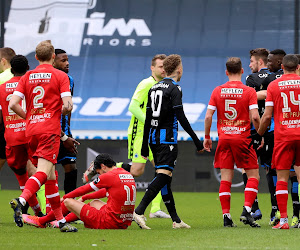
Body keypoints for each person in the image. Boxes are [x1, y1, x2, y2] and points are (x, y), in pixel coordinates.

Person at [8, 40, 77, 232]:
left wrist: (29, 116)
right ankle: (21, 201)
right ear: (53, 57)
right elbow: (68, 106)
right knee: (44, 172)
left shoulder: (27, 76)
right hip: (49, 130)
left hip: (31, 131)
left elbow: (13, 104)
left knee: (51, 177)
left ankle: (60, 221)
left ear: (36, 57)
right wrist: (61, 109)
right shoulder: (60, 76)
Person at [133, 54, 204, 229]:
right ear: (179, 69)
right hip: (167, 140)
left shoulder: (154, 87)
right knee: (163, 175)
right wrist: (197, 141)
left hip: (153, 139)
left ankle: (176, 220)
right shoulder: (175, 88)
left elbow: (148, 118)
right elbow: (181, 117)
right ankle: (139, 210)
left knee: (166, 178)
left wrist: (144, 146)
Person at [204, 57, 261, 228]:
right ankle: (246, 209)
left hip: (225, 138)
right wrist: (259, 133)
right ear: (242, 71)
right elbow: (256, 116)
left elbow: (208, 116)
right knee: (254, 175)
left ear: (226, 72)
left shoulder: (217, 91)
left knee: (226, 179)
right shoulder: (249, 91)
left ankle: (226, 217)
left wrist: (207, 136)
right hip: (243, 138)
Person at [22, 153, 136, 229]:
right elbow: (105, 192)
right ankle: (59, 222)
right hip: (124, 222)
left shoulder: (109, 176)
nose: (99, 174)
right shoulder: (126, 173)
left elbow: (83, 189)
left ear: (103, 166)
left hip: (109, 222)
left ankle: (42, 221)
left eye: (98, 172)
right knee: (94, 203)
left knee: (68, 202)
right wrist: (85, 198)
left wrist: (65, 197)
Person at [253, 54, 300, 229]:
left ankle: (284, 221)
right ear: (297, 67)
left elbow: (266, 116)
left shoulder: (274, 85)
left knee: (281, 178)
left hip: (283, 137)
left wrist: (259, 134)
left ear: (282, 67)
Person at [121, 54, 170, 219]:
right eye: (160, 66)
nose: (163, 69)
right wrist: (151, 122)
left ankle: (155, 209)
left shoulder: (162, 85)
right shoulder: (146, 83)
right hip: (140, 133)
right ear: (153, 68)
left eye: (165, 66)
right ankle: (104, 166)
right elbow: (133, 107)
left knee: (162, 169)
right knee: (136, 171)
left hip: (152, 134)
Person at [0, 55, 43, 216]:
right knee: (43, 172)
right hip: (32, 133)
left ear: (11, 69)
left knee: (21, 175)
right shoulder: (32, 85)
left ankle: (37, 212)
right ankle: (47, 213)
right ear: (28, 69)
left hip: (12, 136)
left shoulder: (2, 87)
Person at [53, 48, 78, 194]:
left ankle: (69, 209)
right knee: (47, 171)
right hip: (49, 130)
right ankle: (28, 207)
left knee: (71, 167)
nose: (67, 63)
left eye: (67, 60)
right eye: (63, 61)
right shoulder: (49, 79)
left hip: (64, 131)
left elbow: (68, 107)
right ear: (53, 61)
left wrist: (68, 129)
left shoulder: (70, 80)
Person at [0, 47, 16, 172]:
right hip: (21, 127)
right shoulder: (24, 77)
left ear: (3, 61)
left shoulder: (1, 79)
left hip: (4, 126)